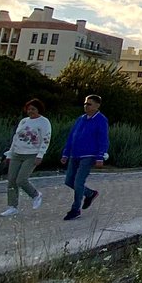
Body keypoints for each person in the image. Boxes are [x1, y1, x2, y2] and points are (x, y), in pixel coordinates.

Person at [61, 94, 109, 222]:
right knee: (69, 181)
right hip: (75, 154)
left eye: (89, 104)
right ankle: (89, 193)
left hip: (88, 155)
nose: (86, 106)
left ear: (97, 105)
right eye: (85, 104)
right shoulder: (80, 119)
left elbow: (103, 139)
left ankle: (75, 209)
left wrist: (100, 156)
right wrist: (66, 153)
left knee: (78, 182)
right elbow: (72, 136)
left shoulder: (101, 120)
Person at [1, 98, 52, 216]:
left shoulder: (44, 122)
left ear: (38, 109)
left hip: (32, 154)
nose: (30, 111)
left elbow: (46, 139)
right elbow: (16, 138)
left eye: (33, 109)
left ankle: (35, 195)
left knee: (21, 180)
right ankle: (12, 206)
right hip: (17, 153)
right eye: (28, 109)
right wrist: (10, 153)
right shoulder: (24, 121)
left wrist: (40, 155)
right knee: (11, 180)